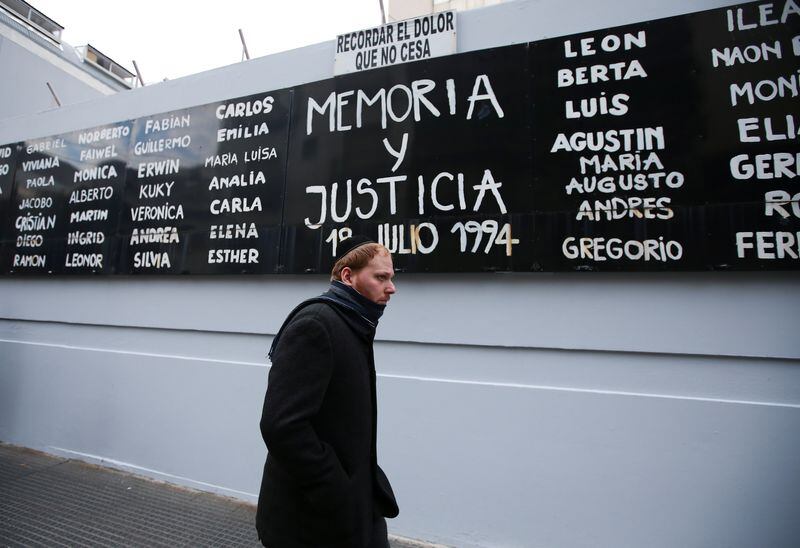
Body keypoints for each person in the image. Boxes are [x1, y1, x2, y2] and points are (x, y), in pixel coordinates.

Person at [256, 236, 399, 548]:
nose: (391, 288)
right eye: (381, 277)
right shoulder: (317, 325)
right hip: (311, 520)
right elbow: (282, 426)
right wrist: (336, 488)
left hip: (354, 506)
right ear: (348, 276)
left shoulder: (353, 322)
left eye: (391, 278)